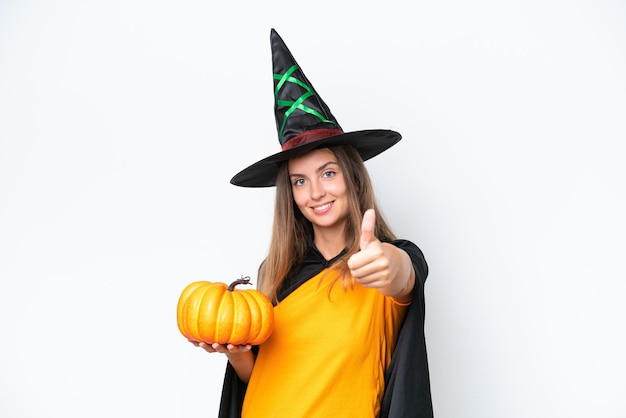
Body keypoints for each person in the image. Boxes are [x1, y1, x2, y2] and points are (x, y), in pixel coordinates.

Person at [189, 29, 433, 417]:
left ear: (352, 177)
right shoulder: (276, 272)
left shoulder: (387, 261)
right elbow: (271, 376)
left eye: (328, 173)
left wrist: (391, 265)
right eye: (299, 181)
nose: (315, 192)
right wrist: (236, 354)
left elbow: (405, 277)